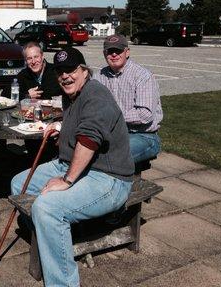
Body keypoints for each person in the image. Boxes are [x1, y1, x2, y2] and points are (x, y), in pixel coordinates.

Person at [10, 47, 134, 286]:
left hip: (108, 177)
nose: (65, 76)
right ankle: (47, 239)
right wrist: (60, 127)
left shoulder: (96, 96)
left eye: (71, 71)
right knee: (19, 183)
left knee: (47, 208)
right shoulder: (72, 94)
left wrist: (66, 181)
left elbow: (89, 139)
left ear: (84, 71)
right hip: (71, 164)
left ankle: (62, 282)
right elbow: (76, 123)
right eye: (60, 72)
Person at [94, 34, 163, 163]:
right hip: (110, 134)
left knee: (109, 156)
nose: (114, 54)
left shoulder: (143, 76)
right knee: (82, 149)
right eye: (110, 51)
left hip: (143, 136)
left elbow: (145, 115)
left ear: (127, 52)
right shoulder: (98, 77)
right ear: (104, 54)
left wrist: (111, 117)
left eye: (118, 50)